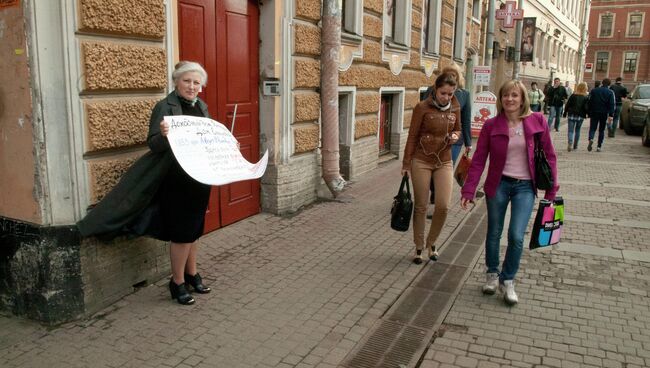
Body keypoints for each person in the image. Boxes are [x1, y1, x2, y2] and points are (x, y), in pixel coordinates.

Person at [77, 61, 214, 305]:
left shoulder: (201, 106)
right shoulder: (165, 106)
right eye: (187, 81)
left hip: (199, 177)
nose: (192, 86)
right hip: (175, 179)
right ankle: (177, 282)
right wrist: (162, 135)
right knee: (182, 232)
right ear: (176, 82)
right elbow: (154, 145)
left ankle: (192, 274)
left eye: (196, 82)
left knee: (194, 229)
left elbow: (206, 139)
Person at [460, 80, 559, 305]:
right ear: (501, 99)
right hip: (499, 185)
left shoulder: (537, 121)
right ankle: (492, 274)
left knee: (516, 235)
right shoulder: (492, 125)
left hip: (525, 186)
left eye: (515, 95)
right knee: (494, 232)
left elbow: (550, 156)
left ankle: (508, 280)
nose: (510, 99)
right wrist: (469, 189)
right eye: (506, 95)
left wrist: (552, 189)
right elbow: (479, 159)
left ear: (523, 99)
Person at [402, 72, 461, 264]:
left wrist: (455, 137)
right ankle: (419, 246)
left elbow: (458, 129)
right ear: (435, 90)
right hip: (421, 160)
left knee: (443, 206)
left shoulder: (455, 107)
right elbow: (412, 136)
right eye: (443, 93)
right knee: (421, 206)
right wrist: (406, 164)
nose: (446, 97)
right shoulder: (422, 107)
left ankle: (432, 242)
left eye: (450, 94)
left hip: (444, 160)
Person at [587, 78, 615, 152]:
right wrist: (611, 115)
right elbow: (612, 104)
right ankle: (599, 146)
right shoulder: (610, 92)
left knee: (592, 128)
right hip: (604, 113)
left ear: (602, 83)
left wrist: (588, 112)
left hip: (594, 112)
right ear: (609, 84)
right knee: (601, 130)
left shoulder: (594, 90)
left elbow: (590, 101)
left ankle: (591, 138)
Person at [563, 82, 589, 152]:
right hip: (580, 115)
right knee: (578, 130)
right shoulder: (586, 97)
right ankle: (575, 145)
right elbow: (586, 107)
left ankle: (570, 143)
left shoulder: (573, 95)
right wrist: (587, 114)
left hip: (571, 114)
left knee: (570, 130)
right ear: (585, 88)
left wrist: (565, 113)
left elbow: (568, 104)